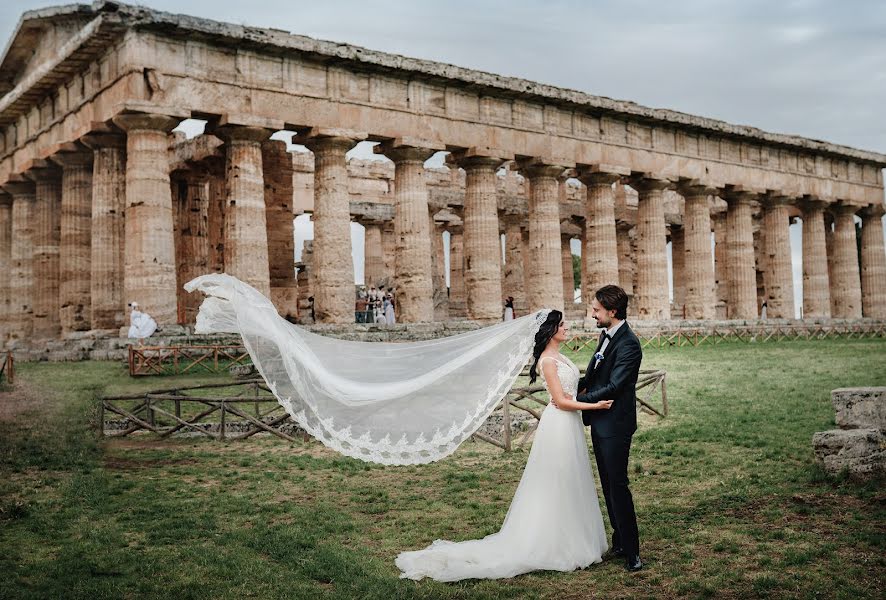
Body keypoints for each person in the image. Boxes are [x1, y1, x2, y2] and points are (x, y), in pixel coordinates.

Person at [396, 309, 613, 581]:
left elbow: (573, 391)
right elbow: (561, 401)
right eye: (562, 324)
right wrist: (596, 405)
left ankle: (573, 536)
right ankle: (552, 542)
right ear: (550, 330)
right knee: (555, 480)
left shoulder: (561, 357)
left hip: (568, 425)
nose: (566, 327)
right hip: (558, 423)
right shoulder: (547, 361)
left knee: (570, 478)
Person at [566, 285, 644, 572]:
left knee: (619, 485)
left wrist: (576, 400)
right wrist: (571, 386)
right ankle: (620, 540)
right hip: (600, 421)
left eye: (597, 310)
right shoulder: (606, 336)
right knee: (609, 485)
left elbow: (615, 386)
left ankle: (633, 552)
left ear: (613, 311)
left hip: (616, 424)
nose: (592, 314)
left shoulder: (629, 344)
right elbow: (597, 375)